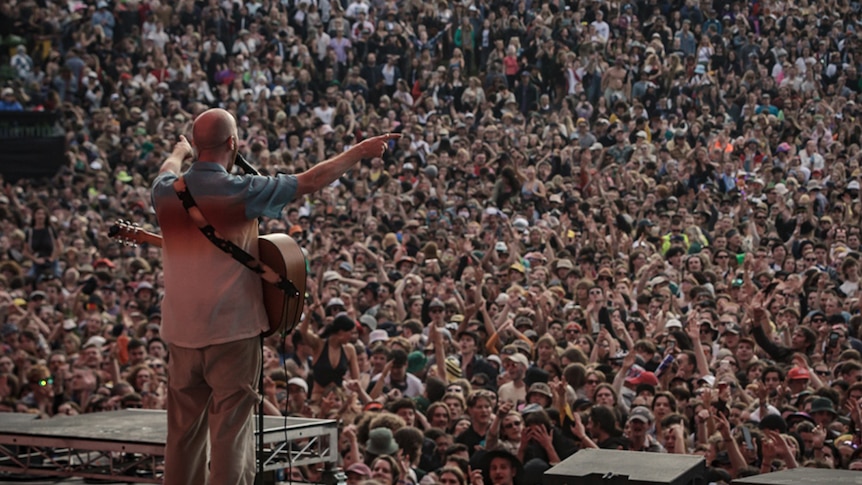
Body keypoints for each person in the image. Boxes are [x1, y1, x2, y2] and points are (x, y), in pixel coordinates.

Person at [151, 107, 396, 485]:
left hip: (180, 334)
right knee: (231, 434)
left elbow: (166, 170)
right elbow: (311, 180)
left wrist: (180, 152)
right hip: (232, 333)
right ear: (233, 143)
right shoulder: (238, 191)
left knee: (182, 436)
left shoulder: (166, 193)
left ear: (198, 146)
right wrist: (359, 152)